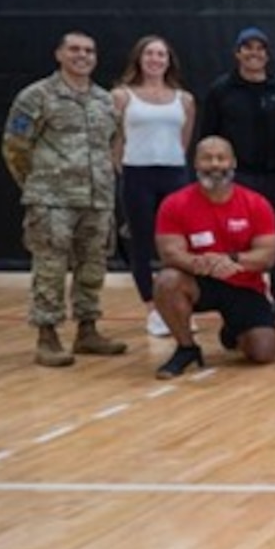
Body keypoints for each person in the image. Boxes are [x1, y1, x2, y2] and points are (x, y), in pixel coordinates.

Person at [2, 30, 128, 367]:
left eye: (89, 50)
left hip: (97, 199)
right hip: (51, 200)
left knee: (93, 266)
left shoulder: (104, 101)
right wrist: (38, 185)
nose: (82, 56)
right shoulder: (36, 96)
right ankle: (48, 335)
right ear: (59, 54)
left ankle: (87, 330)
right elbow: (15, 146)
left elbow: (113, 143)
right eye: (74, 49)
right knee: (51, 267)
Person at [151, 136, 275, 377]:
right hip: (199, 281)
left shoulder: (256, 203)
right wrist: (199, 263)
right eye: (207, 158)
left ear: (233, 163)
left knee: (264, 352)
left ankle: (233, 331)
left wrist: (232, 260)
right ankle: (186, 348)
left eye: (221, 158)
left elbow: (268, 255)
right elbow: (169, 252)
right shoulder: (175, 203)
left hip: (243, 284)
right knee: (167, 280)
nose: (215, 164)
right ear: (195, 164)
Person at [199, 26, 275, 312]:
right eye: (248, 47)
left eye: (260, 48)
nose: (254, 53)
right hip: (237, 178)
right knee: (236, 237)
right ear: (237, 53)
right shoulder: (220, 90)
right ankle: (238, 299)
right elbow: (209, 136)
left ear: (267, 55)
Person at [111, 34, 194, 338]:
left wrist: (171, 163)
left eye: (161, 54)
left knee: (177, 244)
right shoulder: (122, 96)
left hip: (173, 174)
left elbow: (183, 140)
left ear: (168, 60)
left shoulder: (183, 99)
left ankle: (179, 305)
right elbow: (116, 141)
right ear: (139, 59)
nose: (156, 59)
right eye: (150, 54)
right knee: (142, 245)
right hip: (137, 175)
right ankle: (153, 310)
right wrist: (126, 170)